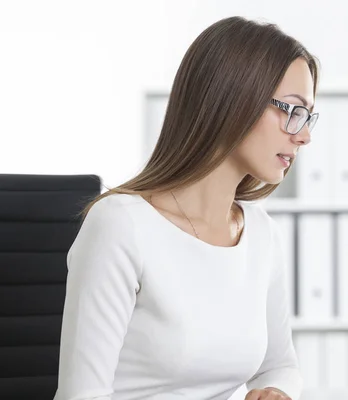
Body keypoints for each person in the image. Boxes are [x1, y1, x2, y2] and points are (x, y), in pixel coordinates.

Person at [53, 15, 320, 400]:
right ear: (234, 100)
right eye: (293, 111)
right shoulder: (120, 226)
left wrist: (275, 390)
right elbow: (83, 396)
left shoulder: (261, 234)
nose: (305, 135)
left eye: (308, 116)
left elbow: (279, 364)